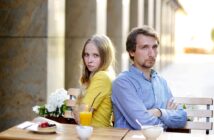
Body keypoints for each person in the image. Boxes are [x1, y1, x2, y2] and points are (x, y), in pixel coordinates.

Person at [112, 26, 187, 130]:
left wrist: (159, 112)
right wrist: (168, 117)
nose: (151, 53)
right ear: (131, 52)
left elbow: (182, 117)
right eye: (145, 47)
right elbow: (142, 123)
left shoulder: (161, 82)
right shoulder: (122, 83)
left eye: (154, 47)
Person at [75, 34, 115, 127]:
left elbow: (81, 115)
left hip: (98, 134)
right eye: (86, 55)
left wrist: (76, 109)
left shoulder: (102, 77)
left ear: (105, 57)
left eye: (96, 55)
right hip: (90, 132)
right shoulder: (94, 76)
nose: (89, 60)